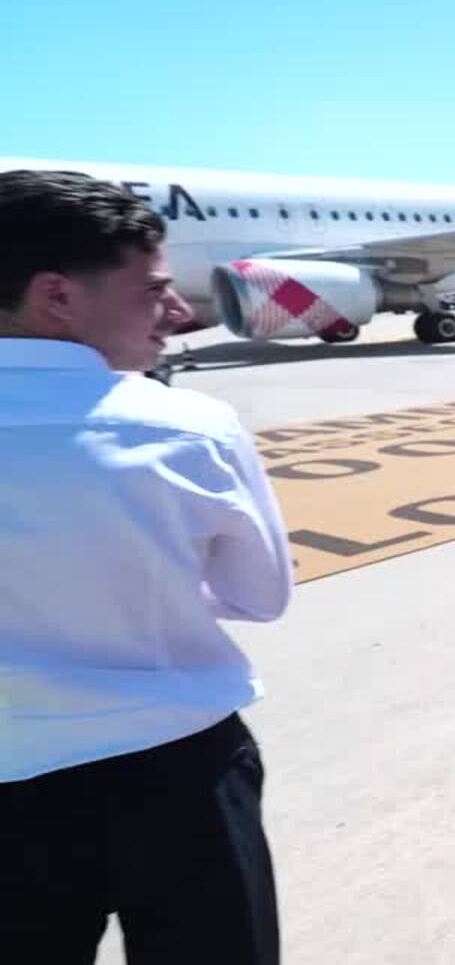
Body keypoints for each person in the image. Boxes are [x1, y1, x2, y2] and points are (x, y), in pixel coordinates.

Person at [0, 170, 295, 963]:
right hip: (177, 773)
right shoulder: (188, 427)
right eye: (155, 290)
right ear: (57, 297)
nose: (179, 312)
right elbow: (259, 595)